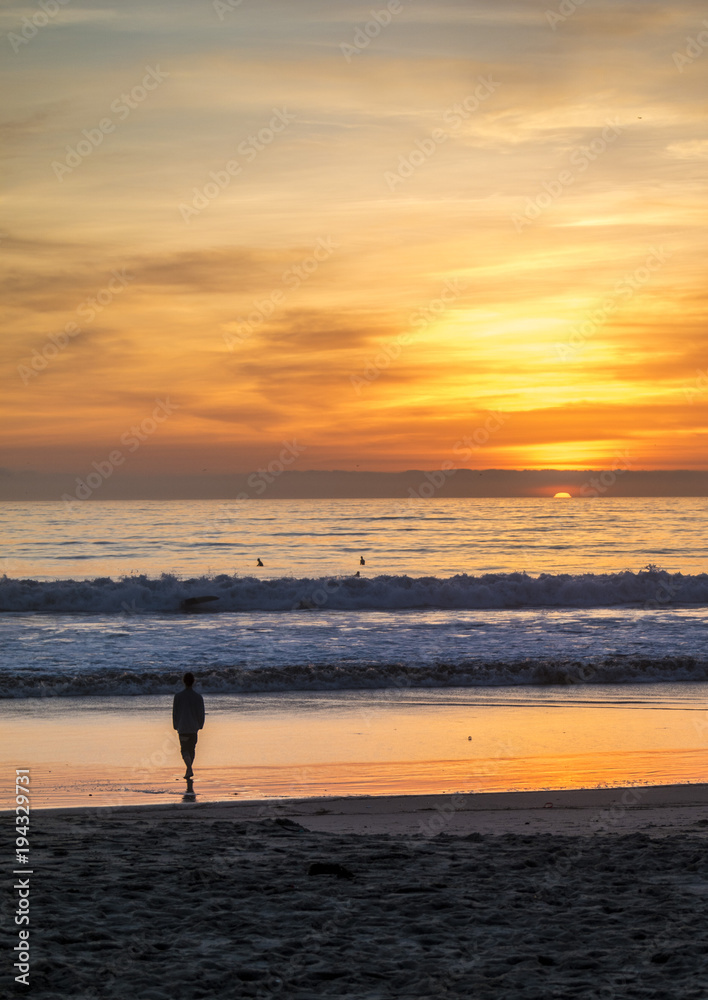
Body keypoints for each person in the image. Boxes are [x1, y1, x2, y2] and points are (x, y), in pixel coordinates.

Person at [172, 672, 205, 779]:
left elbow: (175, 712)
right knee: (192, 749)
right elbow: (201, 712)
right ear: (193, 681)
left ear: (183, 681)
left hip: (182, 727)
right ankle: (189, 768)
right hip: (193, 727)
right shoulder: (198, 697)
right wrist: (200, 724)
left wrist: (175, 724)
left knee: (184, 749)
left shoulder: (178, 696)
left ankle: (189, 768)